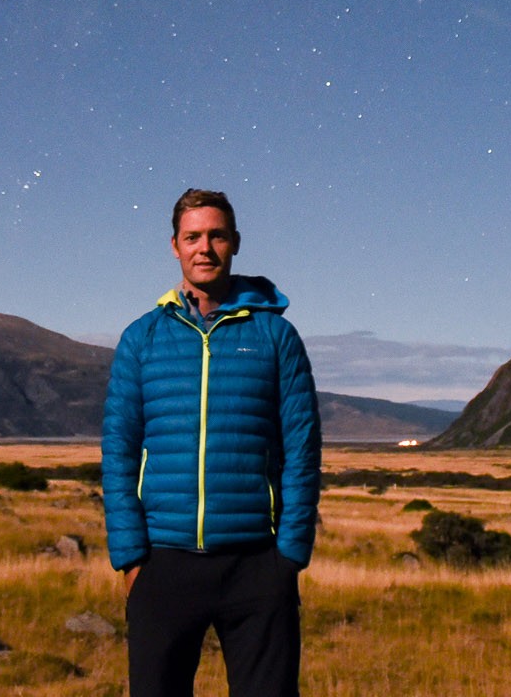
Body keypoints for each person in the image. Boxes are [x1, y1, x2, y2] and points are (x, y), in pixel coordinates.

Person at [101, 188, 321, 697]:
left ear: (235, 243)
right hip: (163, 563)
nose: (205, 248)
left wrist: (288, 556)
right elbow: (119, 452)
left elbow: (302, 452)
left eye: (216, 236)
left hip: (256, 566)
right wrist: (132, 558)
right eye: (192, 237)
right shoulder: (142, 338)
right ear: (174, 246)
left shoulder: (274, 337)